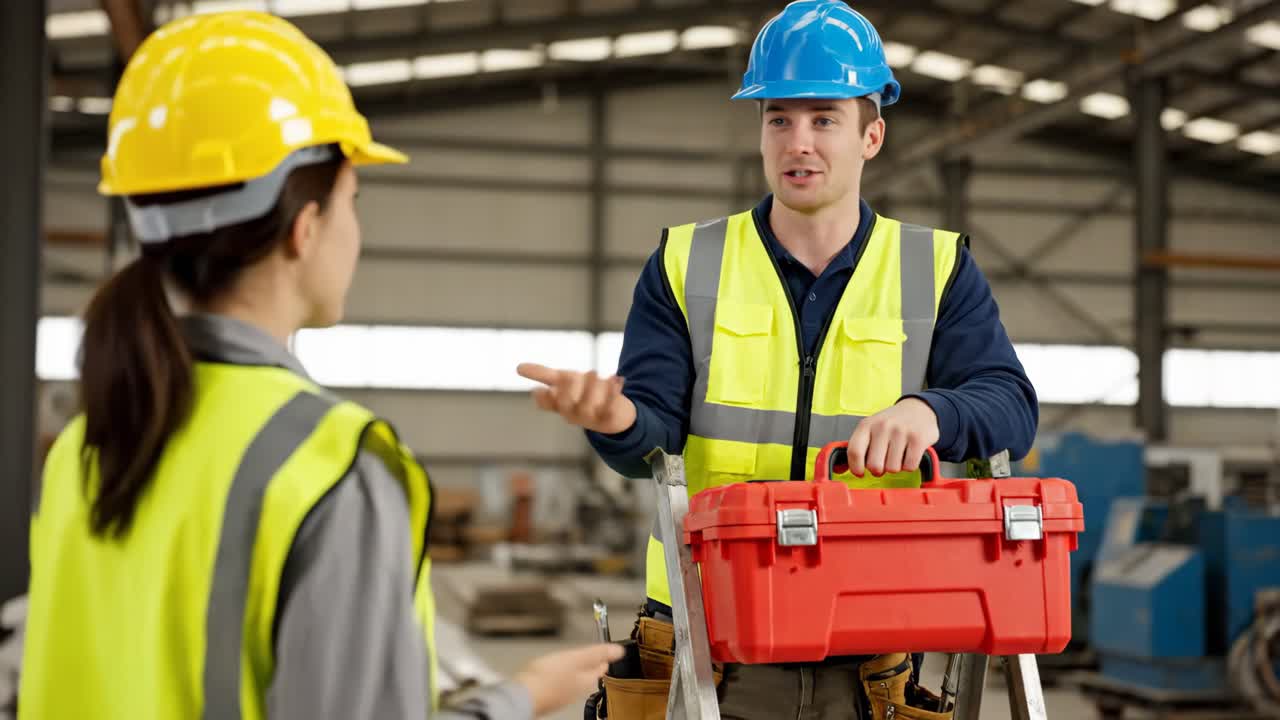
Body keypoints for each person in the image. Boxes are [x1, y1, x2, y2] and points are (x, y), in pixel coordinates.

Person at [19, 12, 619, 720]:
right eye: (352, 200)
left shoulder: (89, 444)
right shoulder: (327, 465)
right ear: (305, 230)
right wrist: (528, 696)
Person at [517, 1, 1038, 717]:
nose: (800, 142)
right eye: (779, 118)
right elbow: (653, 441)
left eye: (824, 118)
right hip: (707, 640)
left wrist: (932, 408)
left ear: (871, 135)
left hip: (867, 646)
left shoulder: (936, 269)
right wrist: (615, 418)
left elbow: (1011, 405)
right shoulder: (686, 263)